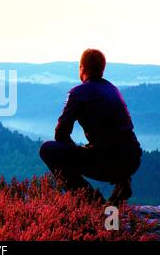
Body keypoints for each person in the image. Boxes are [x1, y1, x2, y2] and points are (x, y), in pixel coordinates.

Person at [39, 49, 142, 205]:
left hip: (108, 161)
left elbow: (60, 134)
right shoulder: (113, 89)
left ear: (82, 68)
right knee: (109, 144)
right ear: (102, 69)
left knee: (47, 150)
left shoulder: (78, 93)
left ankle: (94, 204)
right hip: (132, 159)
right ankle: (122, 183)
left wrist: (73, 154)